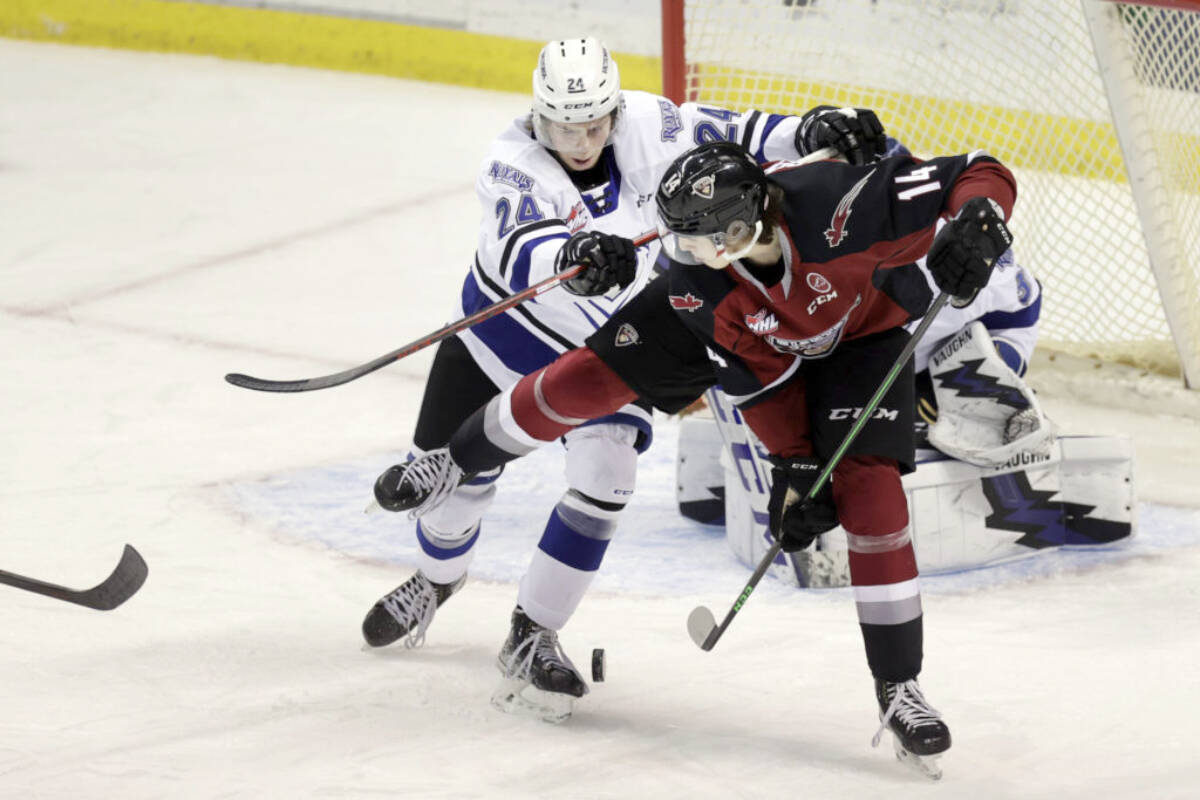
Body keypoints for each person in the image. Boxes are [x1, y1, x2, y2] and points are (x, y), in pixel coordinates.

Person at [375, 139, 1017, 777]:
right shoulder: (700, 284)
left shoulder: (841, 205)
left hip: (863, 336)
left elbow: (979, 172)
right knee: (583, 381)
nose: (684, 256)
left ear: (742, 226)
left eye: (697, 240)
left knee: (873, 496)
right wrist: (793, 464)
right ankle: (454, 462)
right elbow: (753, 377)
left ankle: (899, 688)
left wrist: (979, 219)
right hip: (753, 340)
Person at [361, 35, 887, 723]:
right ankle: (436, 583)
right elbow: (524, 248)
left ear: (612, 109)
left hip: (608, 354)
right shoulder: (510, 162)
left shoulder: (651, 122)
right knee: (450, 492)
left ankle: (532, 634)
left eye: (593, 124)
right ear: (536, 114)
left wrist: (811, 128)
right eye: (561, 126)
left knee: (606, 481)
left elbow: (741, 136)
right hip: (500, 343)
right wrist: (574, 253)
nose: (579, 141)